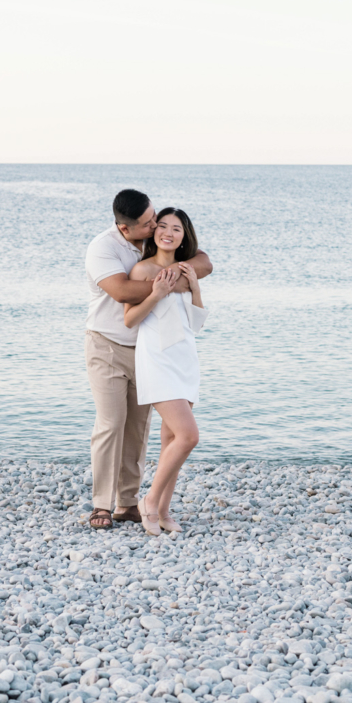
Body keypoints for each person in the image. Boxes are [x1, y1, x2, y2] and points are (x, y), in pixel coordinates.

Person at [84, 189, 212, 530]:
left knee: (140, 431)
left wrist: (188, 280)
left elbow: (204, 263)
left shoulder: (154, 242)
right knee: (112, 424)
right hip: (110, 345)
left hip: (163, 353)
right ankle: (105, 504)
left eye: (159, 219)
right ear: (127, 229)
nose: (158, 226)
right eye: (150, 223)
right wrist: (166, 285)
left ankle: (132, 504)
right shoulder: (104, 249)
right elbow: (124, 294)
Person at [122, 208, 206, 535]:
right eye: (163, 226)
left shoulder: (185, 270)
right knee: (189, 436)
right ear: (154, 231)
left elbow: (196, 323)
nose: (168, 233)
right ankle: (150, 501)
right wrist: (156, 294)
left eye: (177, 228)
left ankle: (164, 511)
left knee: (171, 438)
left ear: (185, 236)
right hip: (156, 359)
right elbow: (130, 320)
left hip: (185, 358)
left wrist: (195, 286)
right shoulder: (142, 270)